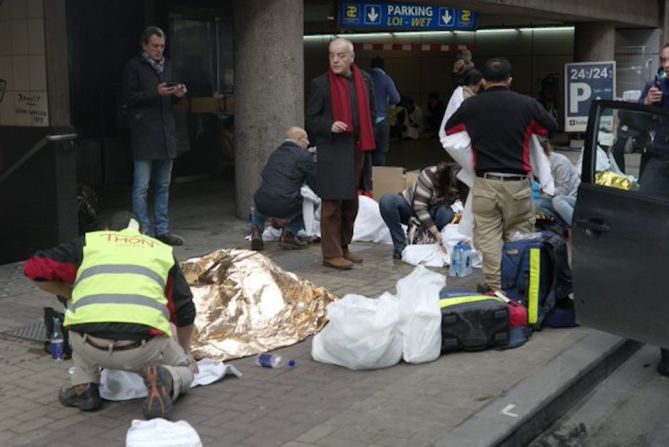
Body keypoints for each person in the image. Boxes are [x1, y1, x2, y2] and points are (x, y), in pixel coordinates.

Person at [23, 212, 197, 419]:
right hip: (141, 349)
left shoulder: (90, 243)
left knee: (76, 320)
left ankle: (84, 388)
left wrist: (70, 293)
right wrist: (185, 352)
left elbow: (33, 268)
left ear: (106, 231)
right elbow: (184, 309)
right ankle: (167, 378)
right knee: (185, 369)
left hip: (88, 344)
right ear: (142, 233)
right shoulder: (161, 250)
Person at [444, 57, 559, 292]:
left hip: (486, 184)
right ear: (509, 80)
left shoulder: (471, 106)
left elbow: (451, 130)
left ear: (483, 81)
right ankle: (519, 287)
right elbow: (549, 126)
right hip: (518, 185)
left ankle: (496, 289)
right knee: (519, 237)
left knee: (488, 239)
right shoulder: (527, 104)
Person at [306, 37, 376, 270]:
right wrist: (329, 125)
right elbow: (311, 120)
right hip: (333, 151)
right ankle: (331, 253)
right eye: (331, 55)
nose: (335, 60)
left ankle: (344, 246)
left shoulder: (364, 79)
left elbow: (372, 110)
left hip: (357, 149)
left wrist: (368, 133)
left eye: (340, 55)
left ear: (351, 58)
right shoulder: (321, 84)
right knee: (332, 204)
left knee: (351, 203)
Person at [123, 26, 187, 246]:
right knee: (142, 187)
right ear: (144, 45)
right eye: (155, 46)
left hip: (165, 133)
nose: (159, 50)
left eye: (162, 46)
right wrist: (155, 92)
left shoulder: (167, 66)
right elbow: (128, 98)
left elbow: (170, 101)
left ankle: (162, 230)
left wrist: (177, 95)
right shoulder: (134, 66)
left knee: (163, 186)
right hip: (143, 134)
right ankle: (143, 232)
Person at [637, 43, 669, 377]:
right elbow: (630, 120)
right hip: (660, 161)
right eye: (662, 59)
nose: (665, 64)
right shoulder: (655, 87)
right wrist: (646, 105)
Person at [379, 163, 468, 259]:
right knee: (387, 202)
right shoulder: (429, 174)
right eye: (451, 189)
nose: (453, 193)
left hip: (435, 211)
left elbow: (467, 205)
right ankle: (400, 246)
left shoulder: (461, 184)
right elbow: (419, 207)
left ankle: (428, 240)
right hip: (411, 207)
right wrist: (436, 233)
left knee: (446, 214)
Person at [250, 126, 317, 251]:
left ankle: (256, 230)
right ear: (299, 139)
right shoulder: (305, 156)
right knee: (313, 201)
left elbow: (266, 175)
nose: (308, 142)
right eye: (306, 139)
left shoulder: (275, 154)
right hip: (286, 203)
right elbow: (315, 182)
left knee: (263, 196)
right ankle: (289, 234)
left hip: (262, 202)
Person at [370, 57, 401, 166]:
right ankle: (378, 179)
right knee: (380, 153)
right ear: (383, 66)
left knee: (367, 152)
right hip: (381, 120)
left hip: (365, 122)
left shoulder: (364, 78)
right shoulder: (386, 79)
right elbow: (396, 99)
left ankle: (366, 180)